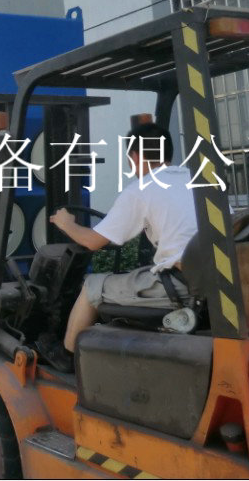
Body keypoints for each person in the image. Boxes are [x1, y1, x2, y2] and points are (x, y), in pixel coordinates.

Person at [50, 123, 197, 356]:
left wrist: (65, 223)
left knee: (91, 287)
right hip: (210, 282)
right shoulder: (198, 180)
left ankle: (67, 358)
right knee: (139, 273)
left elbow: (93, 242)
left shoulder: (141, 189)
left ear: (135, 156)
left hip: (180, 287)